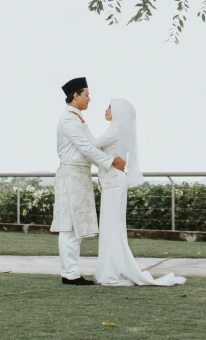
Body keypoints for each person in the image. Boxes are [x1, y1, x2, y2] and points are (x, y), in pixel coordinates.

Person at [94, 98, 186, 287]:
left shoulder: (116, 129)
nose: (105, 110)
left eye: (109, 107)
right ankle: (112, 269)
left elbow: (93, 146)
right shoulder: (118, 130)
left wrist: (80, 134)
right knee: (111, 228)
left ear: (118, 111)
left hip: (114, 183)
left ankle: (113, 272)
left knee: (112, 228)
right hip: (112, 182)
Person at [50, 77, 126, 285]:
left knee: (76, 226)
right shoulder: (69, 120)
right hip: (71, 176)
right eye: (86, 94)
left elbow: (93, 143)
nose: (89, 99)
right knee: (69, 225)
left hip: (80, 175)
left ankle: (71, 272)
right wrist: (111, 161)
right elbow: (86, 147)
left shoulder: (77, 119)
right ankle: (70, 274)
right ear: (75, 95)